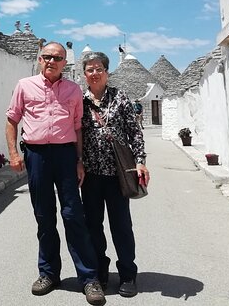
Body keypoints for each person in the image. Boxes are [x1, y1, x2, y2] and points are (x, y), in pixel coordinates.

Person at [6, 42, 106, 306]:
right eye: (47, 57)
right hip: (36, 155)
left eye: (57, 58)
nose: (52, 61)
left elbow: (78, 128)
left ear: (65, 62)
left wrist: (80, 160)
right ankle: (49, 274)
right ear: (40, 59)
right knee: (44, 216)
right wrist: (14, 154)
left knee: (74, 215)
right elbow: (12, 119)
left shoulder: (73, 90)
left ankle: (89, 278)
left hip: (65, 155)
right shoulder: (24, 86)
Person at [80, 51, 150, 298]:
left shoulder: (120, 98)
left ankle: (128, 273)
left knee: (121, 225)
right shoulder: (80, 101)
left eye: (99, 68)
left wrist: (140, 161)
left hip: (117, 173)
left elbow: (135, 132)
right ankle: (100, 268)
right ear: (85, 74)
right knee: (93, 226)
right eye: (90, 69)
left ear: (106, 72)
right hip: (90, 175)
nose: (95, 73)